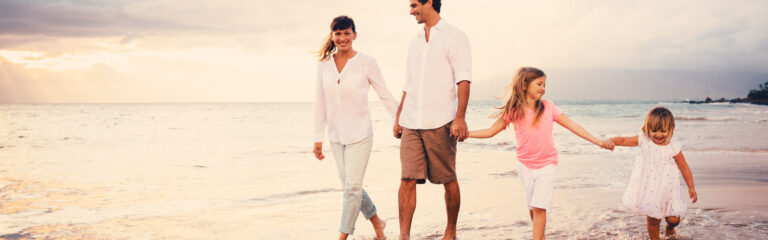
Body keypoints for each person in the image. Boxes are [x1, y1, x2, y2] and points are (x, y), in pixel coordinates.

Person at [467, 67, 614, 240]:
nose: (543, 88)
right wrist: (466, 134)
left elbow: (574, 126)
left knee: (539, 208)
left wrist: (599, 141)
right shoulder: (514, 110)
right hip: (525, 165)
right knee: (533, 208)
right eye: (539, 83)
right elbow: (491, 131)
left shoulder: (548, 107)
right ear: (524, 85)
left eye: (544, 84)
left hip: (547, 164)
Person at [313, 15, 397, 240]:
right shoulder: (324, 65)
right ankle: (377, 222)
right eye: (338, 34)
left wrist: (399, 121)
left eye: (346, 33)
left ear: (354, 35)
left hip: (360, 134)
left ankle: (342, 237)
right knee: (351, 187)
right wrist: (317, 137)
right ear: (332, 36)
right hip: (336, 136)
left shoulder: (366, 62)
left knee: (351, 189)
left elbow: (384, 94)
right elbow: (320, 102)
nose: (342, 38)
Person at [393, 0, 471, 239]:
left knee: (448, 179)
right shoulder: (414, 41)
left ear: (430, 2)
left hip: (441, 120)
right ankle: (404, 235)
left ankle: (451, 231)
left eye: (414, 4)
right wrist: (399, 116)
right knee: (407, 178)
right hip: (411, 120)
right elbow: (408, 83)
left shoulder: (455, 36)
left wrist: (460, 118)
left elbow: (464, 80)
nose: (411, 11)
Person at [607, 107, 698, 240]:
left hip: (669, 188)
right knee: (653, 220)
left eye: (663, 131)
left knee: (674, 219)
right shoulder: (644, 140)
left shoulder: (673, 146)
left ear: (670, 129)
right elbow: (624, 140)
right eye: (654, 130)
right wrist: (611, 141)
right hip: (650, 188)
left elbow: (683, 167)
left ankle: (670, 228)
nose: (658, 134)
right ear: (647, 128)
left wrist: (691, 187)